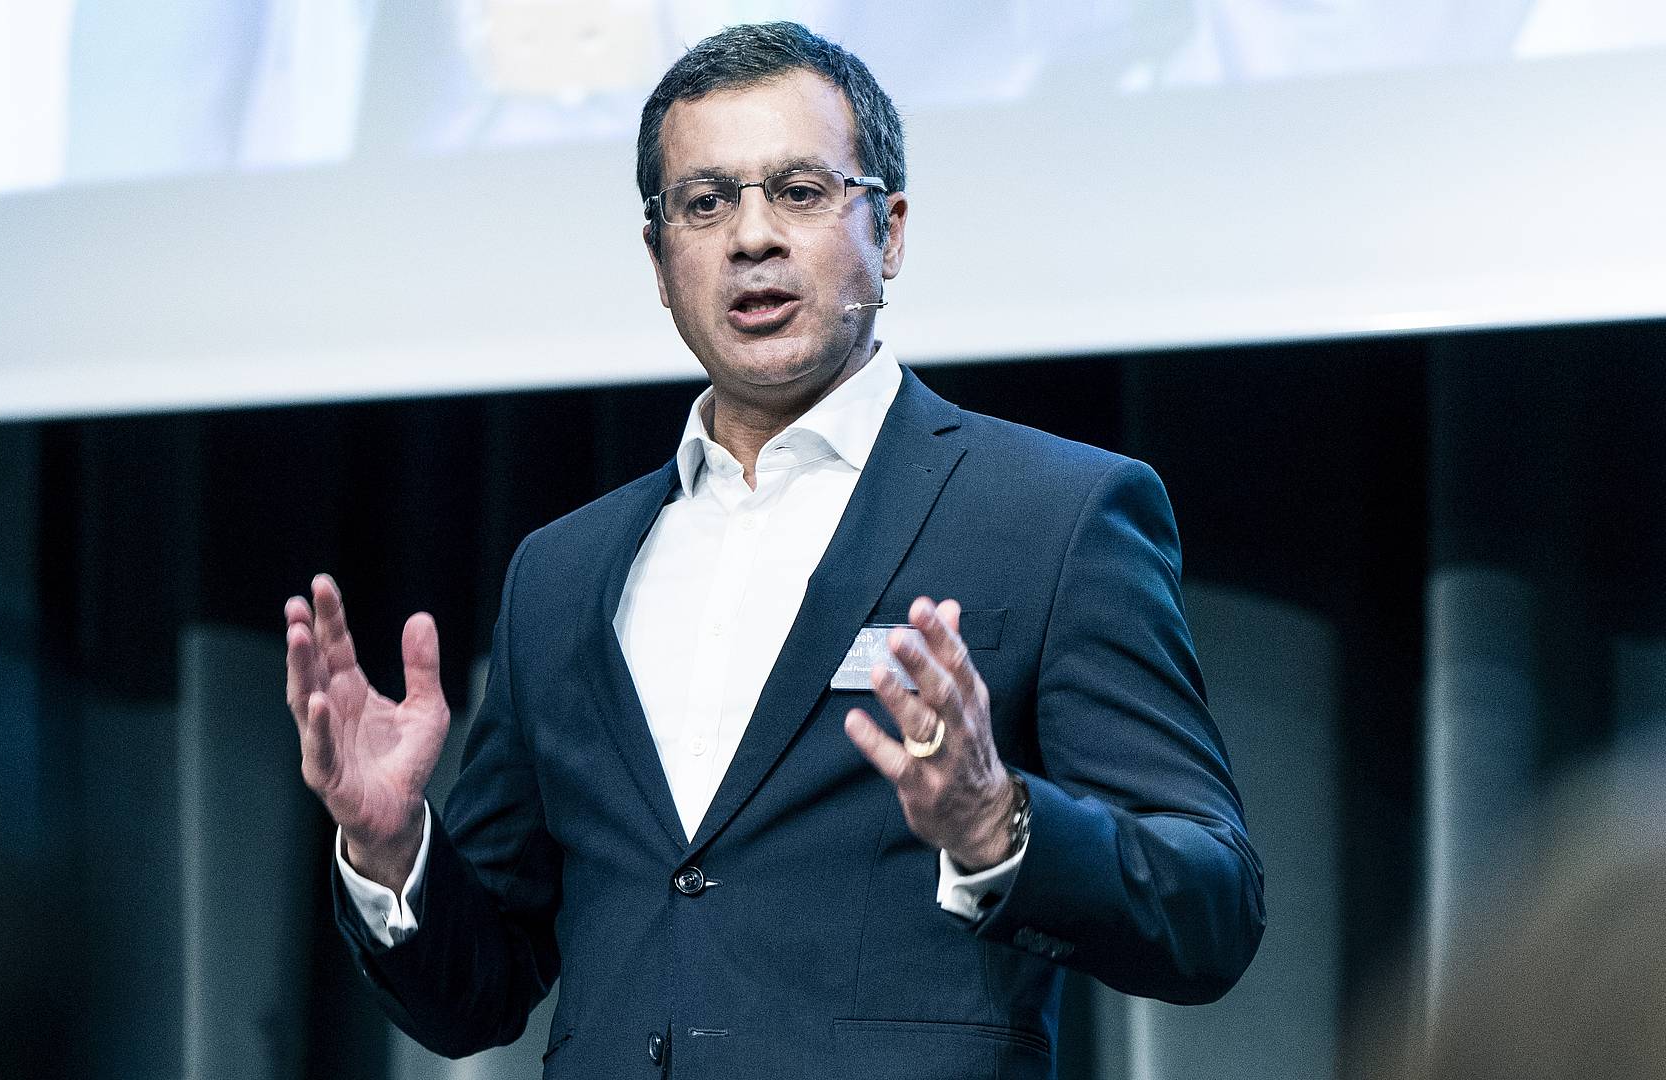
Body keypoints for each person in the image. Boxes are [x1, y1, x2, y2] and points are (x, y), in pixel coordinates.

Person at [285, 22, 1262, 1079]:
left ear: (889, 233)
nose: (751, 237)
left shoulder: (1055, 515)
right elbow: (477, 996)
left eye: (799, 191)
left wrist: (999, 824)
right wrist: (392, 848)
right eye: (705, 203)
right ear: (660, 262)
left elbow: (1210, 909)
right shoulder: (560, 574)